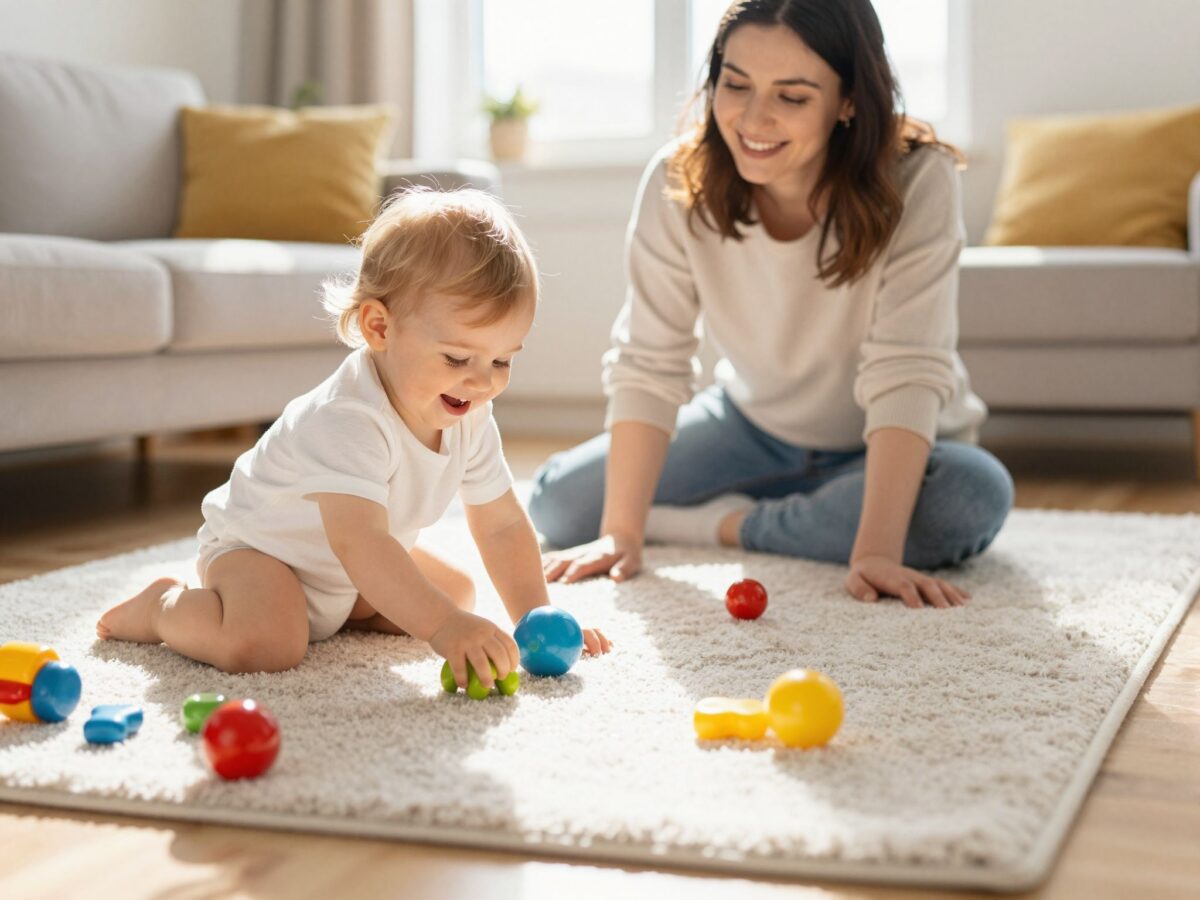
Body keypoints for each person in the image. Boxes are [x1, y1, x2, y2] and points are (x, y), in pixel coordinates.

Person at [530, 0, 1013, 610]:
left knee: (971, 496)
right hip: (751, 425)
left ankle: (725, 525)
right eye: (736, 85)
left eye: (792, 96)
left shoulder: (919, 178)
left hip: (891, 440)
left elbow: (907, 370)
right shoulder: (678, 179)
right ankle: (792, 518)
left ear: (849, 100)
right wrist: (621, 533)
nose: (753, 119)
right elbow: (650, 359)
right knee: (560, 504)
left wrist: (875, 554)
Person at [98, 188, 611, 682]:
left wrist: (536, 619)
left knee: (456, 595)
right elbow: (360, 541)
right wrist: (442, 628)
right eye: (458, 358)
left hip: (344, 567)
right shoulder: (347, 418)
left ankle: (346, 610)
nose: (482, 382)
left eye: (502, 360)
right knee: (268, 644)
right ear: (379, 328)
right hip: (262, 553)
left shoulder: (469, 412)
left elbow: (499, 524)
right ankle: (164, 606)